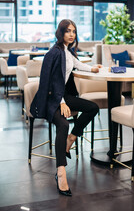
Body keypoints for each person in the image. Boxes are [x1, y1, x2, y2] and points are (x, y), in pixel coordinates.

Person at [30, 19, 102, 197]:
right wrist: (61, 102)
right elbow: (50, 82)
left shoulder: (68, 51)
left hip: (62, 97)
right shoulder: (53, 53)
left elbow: (77, 64)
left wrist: (92, 69)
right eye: (68, 31)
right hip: (50, 100)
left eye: (74, 31)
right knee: (63, 124)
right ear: (60, 32)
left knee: (93, 107)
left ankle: (71, 139)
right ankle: (61, 172)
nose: (71, 34)